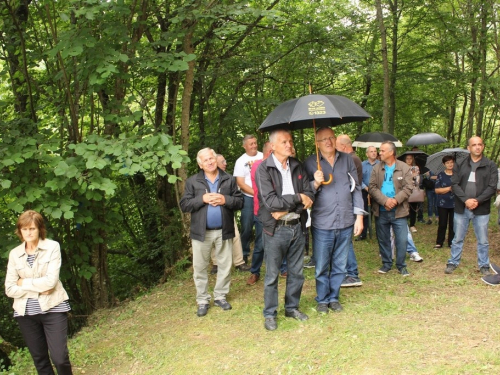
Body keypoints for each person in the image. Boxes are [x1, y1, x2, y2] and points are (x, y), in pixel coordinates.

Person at [255, 129, 314, 331]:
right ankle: (270, 313)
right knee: (272, 275)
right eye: (284, 142)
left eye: (290, 141)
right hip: (275, 229)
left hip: (297, 225)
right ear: (272, 146)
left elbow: (309, 195)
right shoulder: (263, 169)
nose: (289, 145)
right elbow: (270, 202)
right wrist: (297, 198)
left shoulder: (298, 166)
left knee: (296, 272)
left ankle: (292, 308)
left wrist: (287, 207)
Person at [5, 210, 73, 375]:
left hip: (53, 308)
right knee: (40, 360)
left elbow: (51, 282)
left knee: (60, 359)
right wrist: (38, 288)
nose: (28, 232)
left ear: (40, 229)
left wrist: (23, 283)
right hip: (25, 314)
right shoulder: (14, 254)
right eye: (25, 229)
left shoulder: (52, 247)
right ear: (20, 231)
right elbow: (9, 289)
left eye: (32, 228)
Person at [305, 128, 364, 312]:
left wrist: (359, 217)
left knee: (340, 264)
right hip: (323, 223)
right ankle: (322, 299)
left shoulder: (347, 160)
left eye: (331, 137)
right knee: (322, 265)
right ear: (317, 143)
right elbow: (304, 192)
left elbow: (357, 188)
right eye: (323, 139)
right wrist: (315, 182)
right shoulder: (309, 163)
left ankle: (334, 297)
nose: (328, 142)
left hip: (346, 220)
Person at [180, 148, 243, 317]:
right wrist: (202, 199)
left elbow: (239, 202)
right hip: (201, 232)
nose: (209, 162)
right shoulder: (193, 181)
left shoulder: (228, 179)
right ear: (200, 164)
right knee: (199, 267)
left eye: (211, 158)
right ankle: (202, 300)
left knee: (225, 265)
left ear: (216, 159)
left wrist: (225, 200)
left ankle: (220, 296)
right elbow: (184, 205)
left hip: (224, 229)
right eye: (205, 160)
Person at [445, 136, 498, 275]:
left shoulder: (490, 165)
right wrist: (466, 200)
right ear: (468, 148)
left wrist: (477, 201)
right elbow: (455, 184)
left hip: (481, 209)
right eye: (474, 145)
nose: (477, 147)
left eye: (480, 144)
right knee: (457, 237)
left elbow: (492, 187)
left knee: (483, 239)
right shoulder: (460, 164)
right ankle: (453, 262)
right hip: (462, 207)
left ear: (483, 146)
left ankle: (484, 265)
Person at [369, 141, 413, 276]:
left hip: (399, 211)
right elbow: (372, 187)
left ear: (391, 152)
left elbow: (409, 187)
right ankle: (387, 263)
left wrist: (395, 200)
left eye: (382, 151)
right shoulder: (377, 168)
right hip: (381, 210)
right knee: (383, 238)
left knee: (402, 239)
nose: (379, 153)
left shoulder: (404, 167)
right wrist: (384, 201)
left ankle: (401, 265)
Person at [209, 154, 250, 274]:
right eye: (223, 161)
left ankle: (239, 262)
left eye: (225, 161)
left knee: (235, 236)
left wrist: (225, 200)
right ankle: (216, 264)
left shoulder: (229, 178)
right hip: (211, 214)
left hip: (227, 212)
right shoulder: (205, 178)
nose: (225, 163)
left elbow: (237, 198)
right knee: (212, 239)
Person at [335, 134, 365, 288]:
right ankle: (347, 272)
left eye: (337, 146)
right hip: (348, 202)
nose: (334, 149)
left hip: (350, 202)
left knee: (346, 240)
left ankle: (352, 274)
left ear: (344, 147)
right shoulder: (353, 158)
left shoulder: (351, 159)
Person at [233, 135, 263, 264]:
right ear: (244, 146)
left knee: (262, 227)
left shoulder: (263, 156)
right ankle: (244, 253)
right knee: (246, 227)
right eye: (251, 144)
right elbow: (240, 183)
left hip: (264, 198)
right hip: (248, 199)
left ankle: (261, 253)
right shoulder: (240, 161)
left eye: (255, 143)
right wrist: (256, 194)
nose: (254, 146)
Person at [247, 141, 272, 286]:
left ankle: (283, 268)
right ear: (269, 152)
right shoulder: (257, 166)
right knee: (261, 243)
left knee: (281, 240)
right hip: (261, 211)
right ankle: (254, 271)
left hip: (278, 211)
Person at [434, 155, 455, 248]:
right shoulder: (441, 175)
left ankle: (451, 242)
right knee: (442, 223)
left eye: (451, 162)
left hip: (455, 203)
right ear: (444, 164)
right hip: (442, 203)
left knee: (453, 224)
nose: (450, 164)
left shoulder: (457, 174)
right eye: (447, 163)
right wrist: (450, 188)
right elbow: (437, 190)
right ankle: (439, 242)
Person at [359, 146, 379, 241]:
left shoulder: (381, 164)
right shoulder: (362, 165)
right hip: (365, 192)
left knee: (378, 212)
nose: (374, 153)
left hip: (378, 192)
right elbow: (359, 180)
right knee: (365, 213)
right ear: (367, 154)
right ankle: (363, 234)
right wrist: (367, 189)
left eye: (375, 151)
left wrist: (374, 190)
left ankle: (380, 233)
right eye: (371, 151)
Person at [404, 154, 421, 233]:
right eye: (407, 159)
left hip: (413, 190)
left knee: (413, 208)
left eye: (410, 158)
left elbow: (417, 181)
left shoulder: (416, 168)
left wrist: (413, 176)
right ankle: (404, 224)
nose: (409, 160)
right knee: (404, 207)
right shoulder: (402, 168)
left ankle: (412, 225)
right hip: (404, 190)